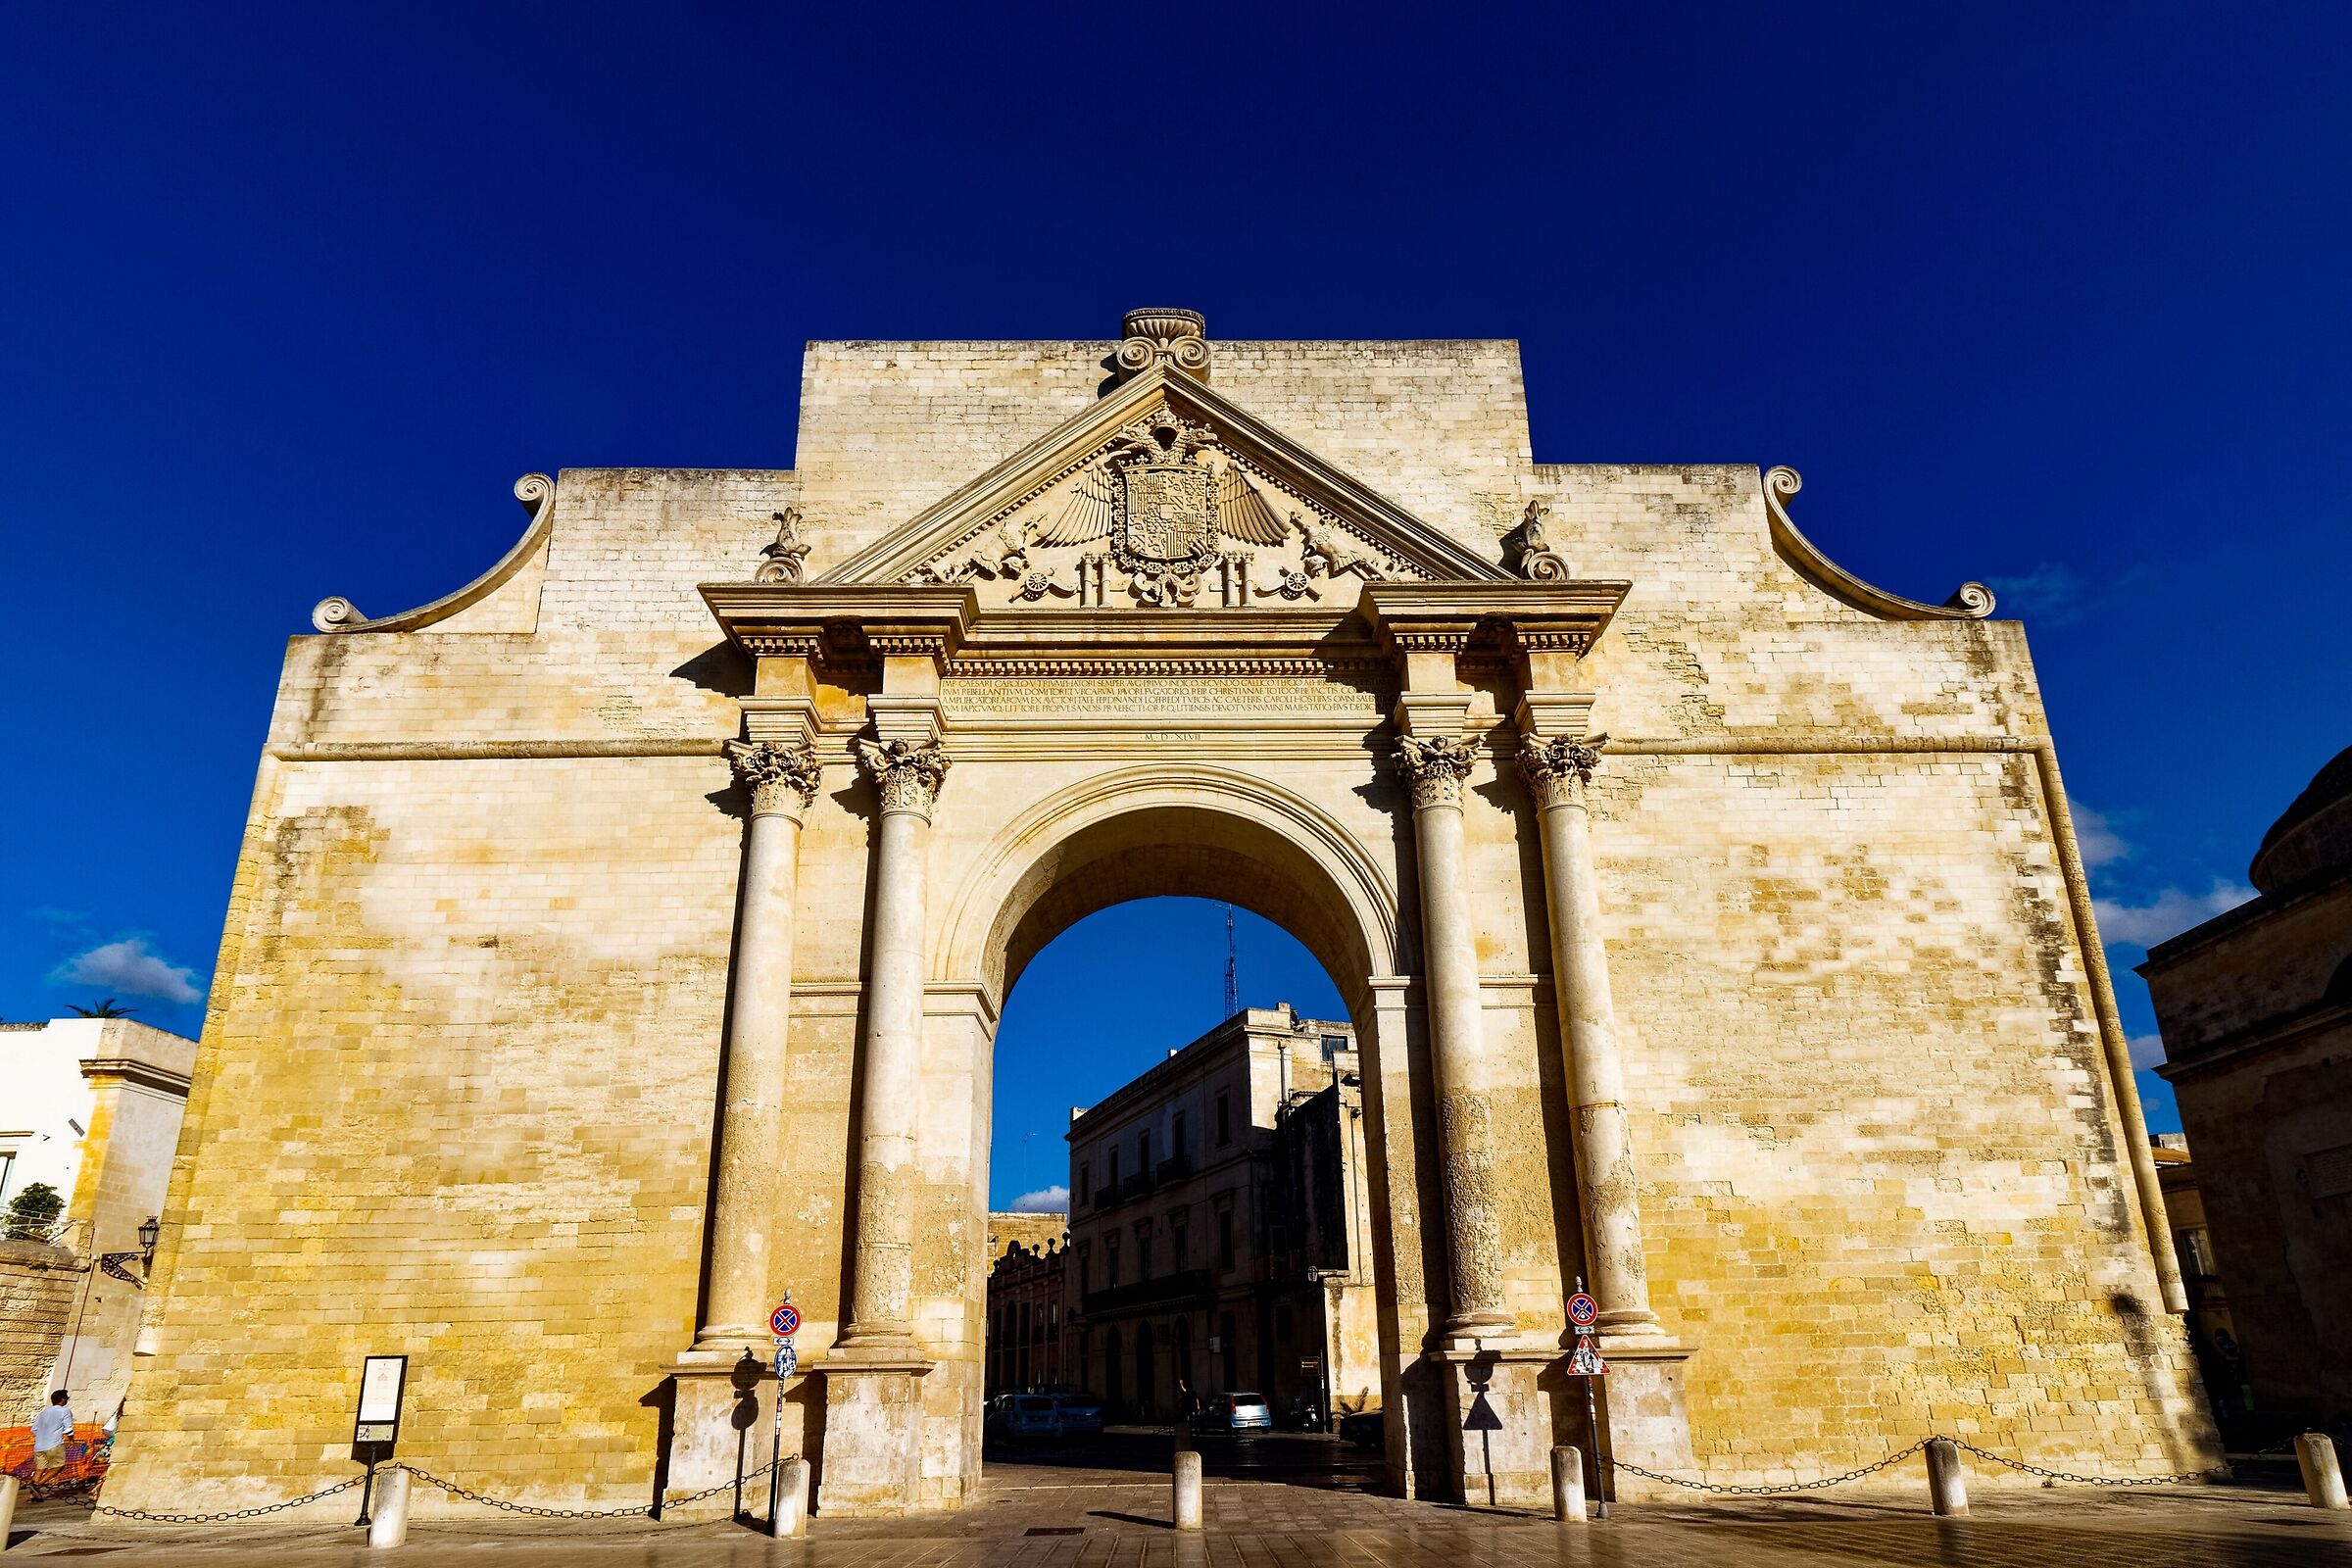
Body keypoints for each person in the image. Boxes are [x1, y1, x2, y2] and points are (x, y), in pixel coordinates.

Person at [31, 1390, 74, 1483]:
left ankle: (32, 1493)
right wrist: (71, 1440)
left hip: (39, 1446)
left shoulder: (43, 1412)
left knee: (40, 1469)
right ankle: (38, 1485)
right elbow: (68, 1429)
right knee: (59, 1466)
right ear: (63, 1399)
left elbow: (34, 1429)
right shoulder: (65, 1411)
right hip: (54, 1444)